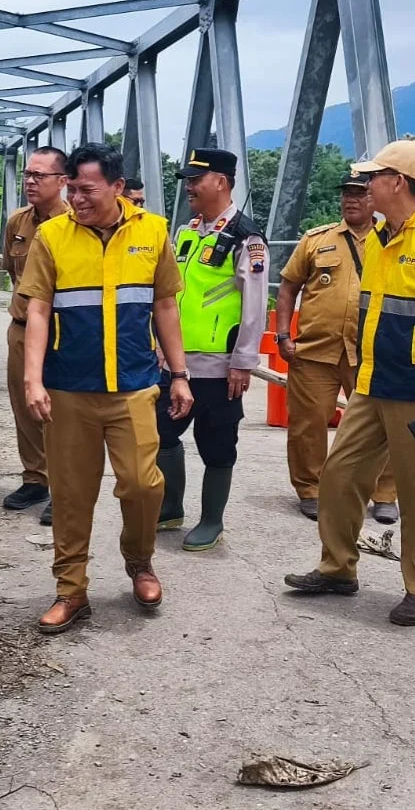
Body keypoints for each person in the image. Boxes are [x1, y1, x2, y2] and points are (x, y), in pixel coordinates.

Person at [285, 140, 415, 627]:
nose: (365, 186)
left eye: (373, 177)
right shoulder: (384, 235)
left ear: (398, 182)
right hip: (371, 384)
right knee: (340, 475)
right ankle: (338, 568)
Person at [20, 143, 193, 634]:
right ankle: (71, 591)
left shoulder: (153, 231)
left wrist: (178, 374)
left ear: (118, 187)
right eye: (71, 189)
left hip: (135, 385)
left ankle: (139, 561)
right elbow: (36, 309)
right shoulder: (52, 236)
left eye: (87, 190)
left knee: (141, 483)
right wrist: (34, 379)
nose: (76, 199)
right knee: (72, 493)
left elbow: (165, 307)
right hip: (69, 387)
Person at [155, 148, 269, 552]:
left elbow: (255, 306)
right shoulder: (186, 232)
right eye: (187, 179)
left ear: (220, 182)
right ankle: (170, 507)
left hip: (219, 368)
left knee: (217, 444)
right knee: (162, 434)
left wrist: (243, 363)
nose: (189, 186)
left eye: (196, 179)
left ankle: (212, 520)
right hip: (175, 364)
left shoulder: (246, 237)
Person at [275, 172, 397, 523]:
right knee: (307, 426)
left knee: (382, 425)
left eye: (359, 193)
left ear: (374, 198)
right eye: (346, 193)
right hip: (315, 352)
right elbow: (287, 288)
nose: (350, 200)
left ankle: (384, 493)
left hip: (371, 352)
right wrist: (283, 335)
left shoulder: (390, 240)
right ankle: (311, 490)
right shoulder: (317, 240)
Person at [0, 146, 69, 527]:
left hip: (62, 333)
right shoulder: (18, 222)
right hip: (23, 328)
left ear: (62, 181)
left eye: (39, 176)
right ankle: (34, 478)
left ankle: (63, 488)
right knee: (25, 407)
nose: (29, 181)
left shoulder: (77, 222)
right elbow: (14, 272)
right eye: (27, 174)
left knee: (60, 412)